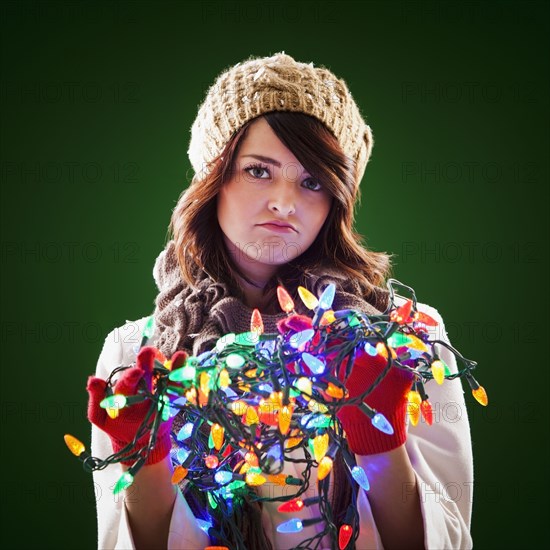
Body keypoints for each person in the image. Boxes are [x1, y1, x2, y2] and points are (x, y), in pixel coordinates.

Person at [88, 52, 473, 550]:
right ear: (213, 178)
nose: (285, 202)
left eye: (312, 181)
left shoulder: (401, 338)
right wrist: (145, 459)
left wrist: (379, 442)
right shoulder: (135, 357)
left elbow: (448, 539)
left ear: (337, 201)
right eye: (258, 171)